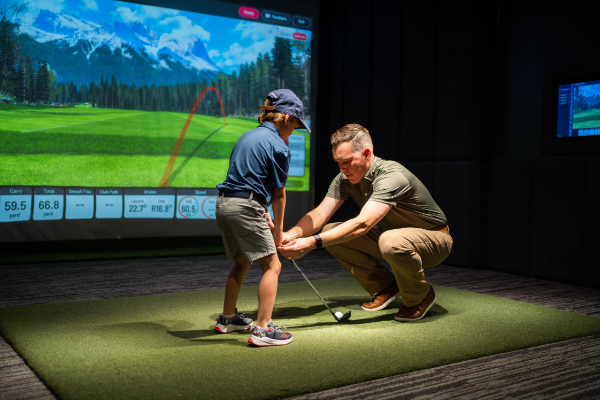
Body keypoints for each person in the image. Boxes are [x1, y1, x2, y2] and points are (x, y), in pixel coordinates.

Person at [278, 123, 452, 322]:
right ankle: (387, 286)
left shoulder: (391, 176)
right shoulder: (344, 179)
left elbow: (363, 224)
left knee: (389, 240)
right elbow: (320, 214)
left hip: (435, 240)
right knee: (331, 230)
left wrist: (312, 243)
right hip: (393, 238)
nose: (342, 168)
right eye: (338, 162)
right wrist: (290, 235)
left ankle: (420, 296)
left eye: (347, 161)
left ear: (367, 154)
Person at [213, 89, 310, 346]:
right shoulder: (279, 146)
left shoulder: (247, 135)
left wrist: (262, 211)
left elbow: (247, 179)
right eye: (296, 125)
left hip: (224, 204)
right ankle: (263, 330)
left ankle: (228, 319)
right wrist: (278, 231)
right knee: (273, 266)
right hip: (246, 207)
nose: (294, 131)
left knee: (242, 263)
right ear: (287, 118)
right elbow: (279, 195)